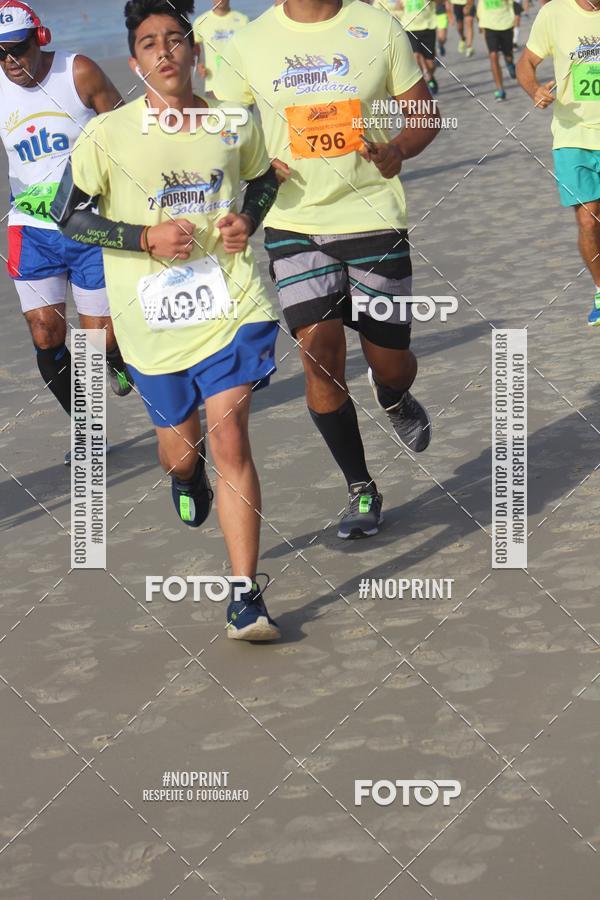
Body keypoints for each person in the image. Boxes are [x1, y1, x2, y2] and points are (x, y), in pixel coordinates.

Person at [52, 0, 282, 641]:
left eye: (175, 39)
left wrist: (248, 219)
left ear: (193, 51)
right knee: (182, 450)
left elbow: (264, 180)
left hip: (232, 304)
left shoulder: (234, 121)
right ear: (135, 62)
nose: (165, 51)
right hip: (150, 318)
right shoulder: (108, 134)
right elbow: (69, 215)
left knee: (232, 441)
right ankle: (186, 477)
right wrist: (141, 236)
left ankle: (245, 596)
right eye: (150, 43)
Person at [215, 0, 441, 539]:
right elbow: (221, 128)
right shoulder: (248, 42)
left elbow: (424, 114)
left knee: (390, 362)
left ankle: (393, 395)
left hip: (373, 216)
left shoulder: (378, 26)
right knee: (319, 351)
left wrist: (398, 150)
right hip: (293, 221)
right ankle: (360, 486)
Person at [0, 2, 133, 462]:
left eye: (17, 50)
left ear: (40, 38)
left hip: (89, 225)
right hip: (30, 229)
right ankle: (89, 429)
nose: (10, 62)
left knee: (100, 342)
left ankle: (116, 359)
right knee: (45, 334)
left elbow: (125, 128)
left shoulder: (78, 73)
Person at [517, 0, 600, 324]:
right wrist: (534, 89)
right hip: (572, 136)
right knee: (588, 220)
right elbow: (527, 63)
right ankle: (599, 289)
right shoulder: (554, 13)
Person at [193, 0, 248, 98]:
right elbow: (195, 45)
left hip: (240, 87)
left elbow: (249, 50)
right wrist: (199, 64)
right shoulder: (201, 21)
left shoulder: (243, 20)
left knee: (244, 114)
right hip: (213, 86)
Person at [398, 0, 439, 94]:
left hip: (428, 27)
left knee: (431, 64)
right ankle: (425, 80)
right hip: (410, 28)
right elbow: (399, 7)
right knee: (416, 55)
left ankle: (430, 76)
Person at [477, 0, 516, 99]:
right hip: (489, 24)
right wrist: (479, 21)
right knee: (493, 55)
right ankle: (500, 89)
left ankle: (510, 64)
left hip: (506, 23)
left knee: (508, 57)